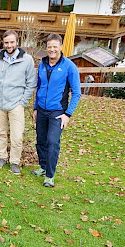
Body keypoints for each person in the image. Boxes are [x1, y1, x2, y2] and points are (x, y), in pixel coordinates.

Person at [32, 33, 81, 187]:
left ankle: (50, 175)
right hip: (41, 110)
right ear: (46, 48)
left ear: (60, 47)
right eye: (49, 47)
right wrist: (35, 107)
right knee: (40, 141)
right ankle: (43, 166)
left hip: (58, 112)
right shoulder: (42, 64)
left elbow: (77, 93)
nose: (52, 49)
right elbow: (39, 87)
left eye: (55, 46)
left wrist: (68, 114)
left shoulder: (69, 67)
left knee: (52, 142)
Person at [0, 30, 37, 175]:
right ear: (3, 43)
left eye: (12, 42)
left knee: (17, 136)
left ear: (17, 42)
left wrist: (23, 101)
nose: (9, 45)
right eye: (6, 42)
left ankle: (14, 162)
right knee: (0, 133)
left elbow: (31, 82)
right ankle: (2, 157)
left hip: (16, 104)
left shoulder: (27, 60)